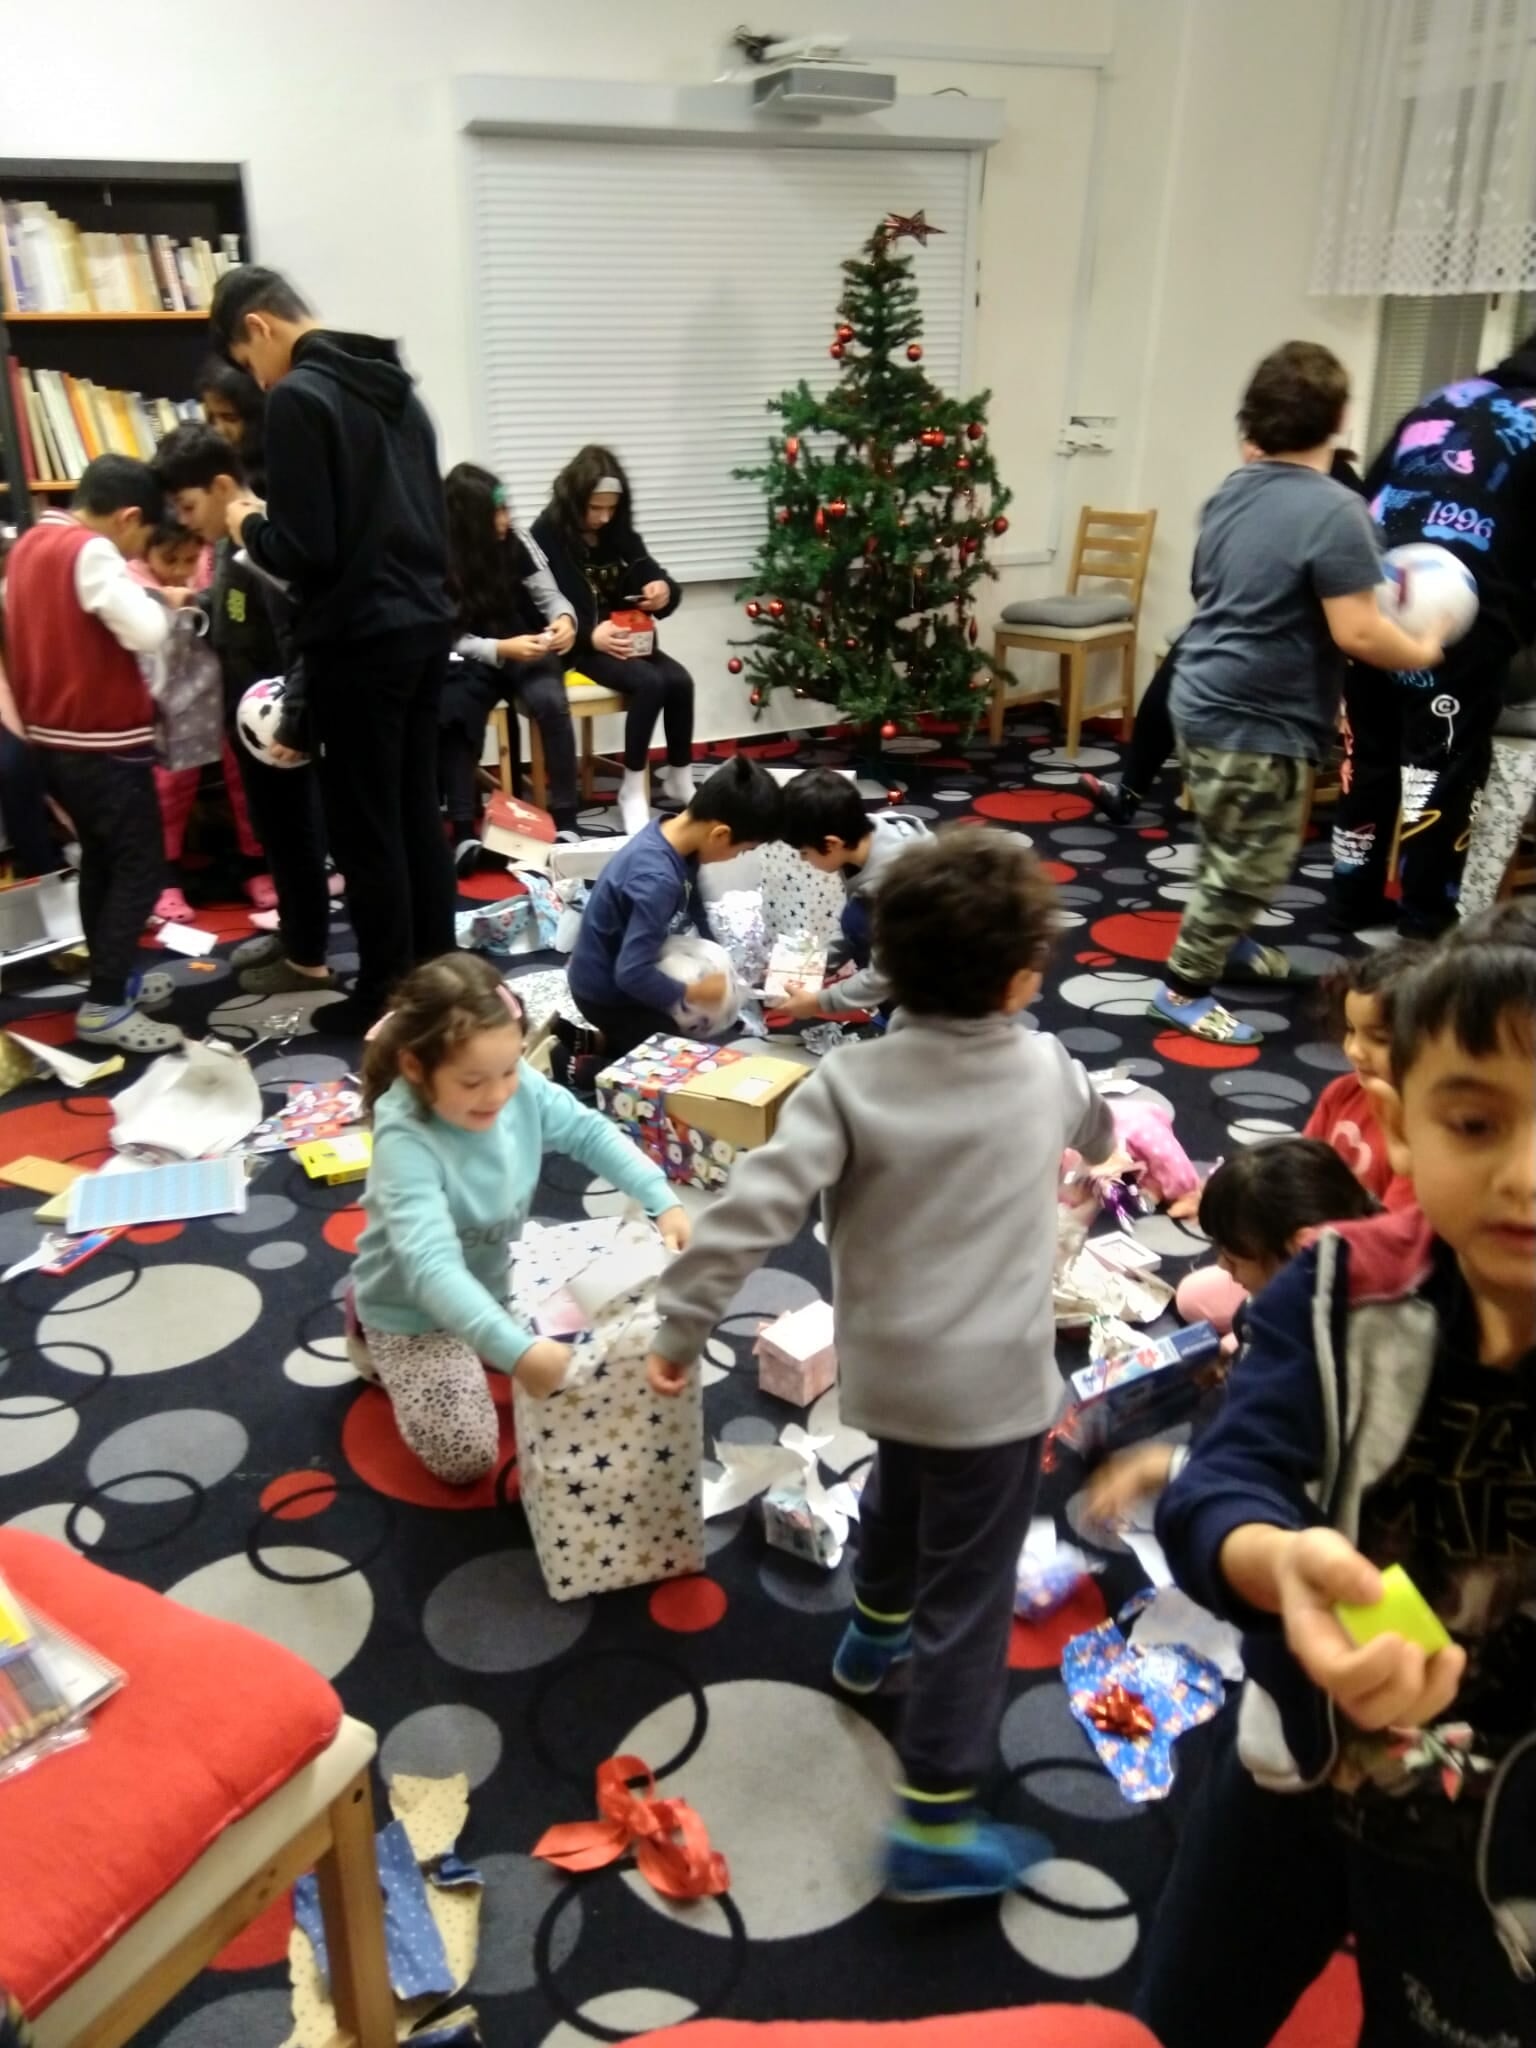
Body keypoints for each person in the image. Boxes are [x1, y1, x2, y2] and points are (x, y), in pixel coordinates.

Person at [645, 828, 1116, 1900]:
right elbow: (1095, 1123)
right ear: (1021, 978)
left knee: (903, 1484)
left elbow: (750, 1209)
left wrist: (681, 1330)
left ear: (887, 965)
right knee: (972, 1598)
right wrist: (1103, 1141)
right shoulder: (1045, 1064)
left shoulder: (847, 1080)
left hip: (886, 1376)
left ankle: (871, 1630)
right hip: (997, 1392)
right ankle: (937, 1821)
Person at [1138, 903, 1536, 2047]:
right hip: (1299, 1766)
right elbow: (1225, 1479)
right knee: (1193, 2005)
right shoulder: (1340, 1286)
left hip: (1500, 1827)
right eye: (1476, 1121)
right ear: (1401, 1128)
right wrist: (1277, 1560)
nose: (1525, 1176)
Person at [1152, 342, 1447, 1046]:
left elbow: (1211, 585)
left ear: (1254, 419)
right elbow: (1359, 633)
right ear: (1340, 419)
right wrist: (1427, 647)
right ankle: (1182, 988)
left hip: (1199, 695)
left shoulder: (1231, 491)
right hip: (1255, 716)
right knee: (1252, 859)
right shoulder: (1337, 511)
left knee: (1230, 841)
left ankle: (1229, 945)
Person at [209, 265, 457, 1034]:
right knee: (416, 814)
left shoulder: (300, 397)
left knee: (365, 828)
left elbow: (304, 551)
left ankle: (384, 992)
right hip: (425, 624)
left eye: (248, 362)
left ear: (259, 327)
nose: (258, 380)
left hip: (358, 637)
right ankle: (438, 978)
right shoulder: (397, 387)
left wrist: (246, 521)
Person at [351, 953, 689, 1485]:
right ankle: (366, 1326)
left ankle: (486, 1333)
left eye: (509, 1070)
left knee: (603, 1340)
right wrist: (515, 1351)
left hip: (491, 1283)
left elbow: (587, 1131)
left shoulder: (514, 1084)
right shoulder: (406, 1142)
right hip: (414, 1315)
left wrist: (660, 1199)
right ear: (415, 1068)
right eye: (472, 1082)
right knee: (466, 1458)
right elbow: (431, 1269)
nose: (497, 1094)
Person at [1333, 328, 1536, 937]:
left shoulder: (1443, 400)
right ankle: (1425, 915)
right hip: (1466, 612)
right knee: (1443, 768)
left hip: (1377, 592)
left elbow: (1367, 496)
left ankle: (1352, 895)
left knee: (1368, 756)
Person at [1084, 1138, 1381, 1527]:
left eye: (1234, 1257)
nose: (1223, 1267)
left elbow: (1272, 1474)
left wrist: (1161, 1466)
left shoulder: (1319, 1359)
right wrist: (1231, 1349)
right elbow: (1255, 1318)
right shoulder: (1315, 1274)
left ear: (1300, 1250)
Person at [1, 456, 187, 1052]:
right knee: (140, 866)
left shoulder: (28, 545)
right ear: (129, 517)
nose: (136, 550)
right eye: (142, 537)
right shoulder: (90, 550)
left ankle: (114, 977)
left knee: (103, 864)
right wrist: (161, 602)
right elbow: (146, 632)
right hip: (103, 742)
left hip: (52, 741)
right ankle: (106, 1003)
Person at [1084, 450, 1367, 827]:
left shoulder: (1340, 489)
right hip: (1243, 620)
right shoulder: (1249, 488)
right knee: (1175, 675)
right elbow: (1203, 577)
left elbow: (1349, 580)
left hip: (1305, 630)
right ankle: (1130, 792)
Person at [153, 420, 336, 999]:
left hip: (276, 724)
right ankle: (293, 933)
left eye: (188, 506)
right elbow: (234, 611)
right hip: (245, 722)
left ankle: (308, 957)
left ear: (222, 486)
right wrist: (197, 602)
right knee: (272, 833)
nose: (185, 521)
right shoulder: (224, 546)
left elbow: (298, 634)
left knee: (295, 835)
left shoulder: (263, 540)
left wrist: (296, 719)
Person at [566, 754, 780, 1065]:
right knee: (687, 1061)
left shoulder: (675, 835)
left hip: (616, 969)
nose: (737, 858)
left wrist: (718, 962)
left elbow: (695, 903)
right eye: (742, 851)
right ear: (720, 834)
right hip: (605, 995)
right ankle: (584, 1065)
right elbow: (630, 974)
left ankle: (603, 1042)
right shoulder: (657, 880)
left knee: (693, 1027)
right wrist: (692, 993)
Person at [532, 446, 695, 837]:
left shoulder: (619, 533)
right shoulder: (546, 535)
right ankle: (632, 788)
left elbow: (652, 573)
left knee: (680, 681)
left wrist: (662, 590)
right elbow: (538, 604)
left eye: (611, 508)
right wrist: (590, 636)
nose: (604, 517)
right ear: (575, 500)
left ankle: (679, 775)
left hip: (627, 637)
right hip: (579, 647)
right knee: (650, 682)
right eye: (595, 508)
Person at [128, 513, 270, 925]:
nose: (179, 571)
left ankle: (256, 862)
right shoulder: (131, 580)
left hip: (223, 691)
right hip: (166, 706)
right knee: (171, 785)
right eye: (168, 560)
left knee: (245, 773)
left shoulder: (214, 565)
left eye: (188, 560)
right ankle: (164, 874)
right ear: (146, 552)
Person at [441, 462, 578, 862]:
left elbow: (551, 596)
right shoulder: (441, 555)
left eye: (504, 509)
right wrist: (500, 649)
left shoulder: (519, 541)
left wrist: (565, 620)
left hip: (527, 646)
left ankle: (566, 820)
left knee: (551, 701)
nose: (505, 520)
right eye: (495, 513)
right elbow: (449, 636)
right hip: (474, 655)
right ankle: (463, 832)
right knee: (455, 707)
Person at [773, 769, 929, 1020]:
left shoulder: (895, 887)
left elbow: (883, 977)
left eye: (804, 852)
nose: (803, 860)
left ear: (831, 843)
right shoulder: (869, 835)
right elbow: (856, 924)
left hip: (931, 999)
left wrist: (818, 1002)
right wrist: (814, 964)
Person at [1302, 940, 1429, 1204]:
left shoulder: (1434, 1127)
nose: (1354, 1051)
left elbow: (1401, 1223)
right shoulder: (1342, 1093)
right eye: (1351, 1030)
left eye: (1380, 1039)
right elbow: (1300, 1170)